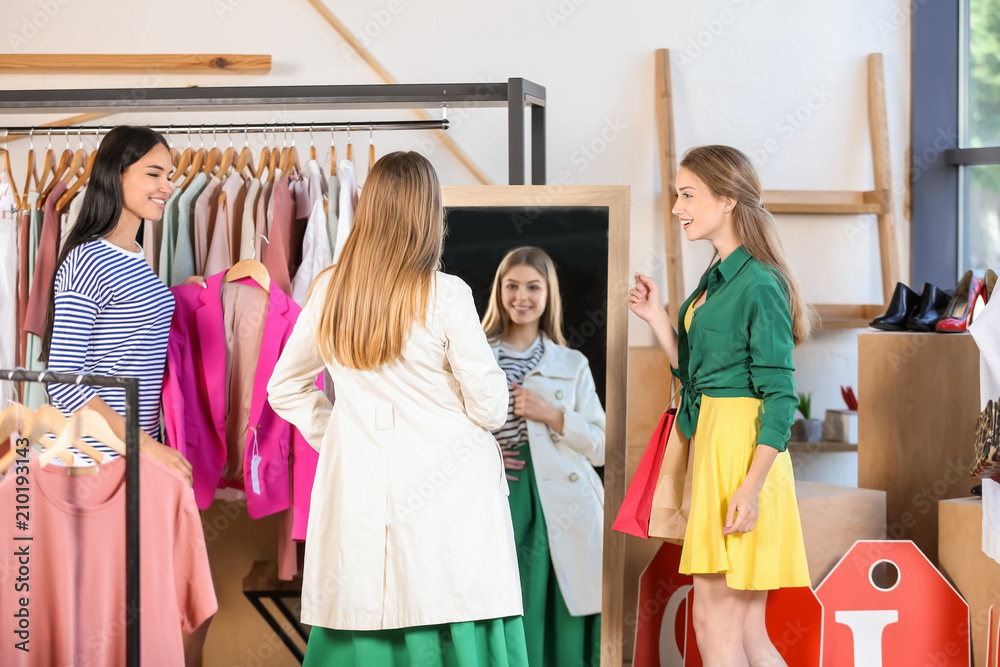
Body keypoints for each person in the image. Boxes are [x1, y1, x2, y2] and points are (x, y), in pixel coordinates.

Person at [266, 151, 529, 666]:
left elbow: (286, 387)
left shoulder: (329, 291)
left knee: (365, 610)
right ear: (430, 213)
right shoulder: (446, 294)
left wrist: (342, 432)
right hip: (448, 488)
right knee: (446, 602)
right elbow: (492, 409)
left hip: (361, 482)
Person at [628, 145, 811, 665]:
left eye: (688, 195)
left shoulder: (758, 283)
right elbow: (697, 374)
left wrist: (750, 489)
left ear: (727, 199)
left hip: (739, 453)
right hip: (718, 441)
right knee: (749, 631)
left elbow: (780, 395)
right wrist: (660, 318)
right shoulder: (719, 275)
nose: (676, 207)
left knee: (715, 622)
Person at [40, 125, 211, 660]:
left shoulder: (134, 254)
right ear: (117, 176)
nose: (167, 185)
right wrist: (147, 446)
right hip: (100, 460)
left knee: (161, 611)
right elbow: (66, 381)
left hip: (132, 457)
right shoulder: (87, 259)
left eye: (170, 175)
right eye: (153, 174)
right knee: (129, 617)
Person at [482, 246, 605, 667]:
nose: (521, 296)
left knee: (560, 602)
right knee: (503, 602)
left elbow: (603, 446)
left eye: (533, 286)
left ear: (548, 293)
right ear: (499, 291)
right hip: (496, 492)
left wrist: (550, 414)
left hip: (562, 498)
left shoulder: (571, 363)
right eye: (511, 285)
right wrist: (482, 451)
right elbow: (442, 430)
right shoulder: (474, 355)